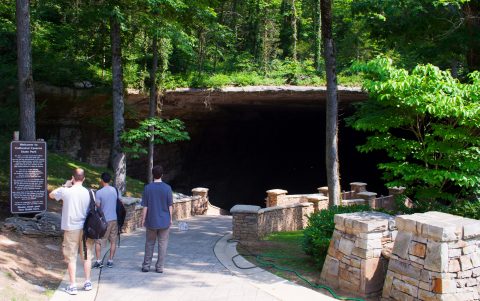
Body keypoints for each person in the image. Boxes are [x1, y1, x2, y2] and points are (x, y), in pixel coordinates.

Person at [49, 168, 94, 295]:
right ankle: (87, 282)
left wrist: (66, 184)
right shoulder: (89, 192)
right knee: (86, 256)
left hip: (71, 228)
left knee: (71, 257)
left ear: (73, 178)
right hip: (86, 229)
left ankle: (73, 285)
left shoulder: (66, 191)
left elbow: (51, 194)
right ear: (84, 179)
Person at [141, 165, 173, 273]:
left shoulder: (147, 188)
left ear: (152, 175)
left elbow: (145, 206)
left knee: (149, 243)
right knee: (162, 244)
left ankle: (146, 266)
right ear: (162, 175)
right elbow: (170, 206)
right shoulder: (167, 188)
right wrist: (171, 219)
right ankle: (159, 267)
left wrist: (143, 219)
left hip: (151, 221)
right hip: (164, 221)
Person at [92, 172, 118, 269]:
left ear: (102, 180)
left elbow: (98, 206)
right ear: (110, 180)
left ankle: (98, 261)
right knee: (113, 241)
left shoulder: (99, 192)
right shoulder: (115, 190)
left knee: (99, 241)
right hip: (114, 219)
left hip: (104, 220)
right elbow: (118, 201)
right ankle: (110, 261)